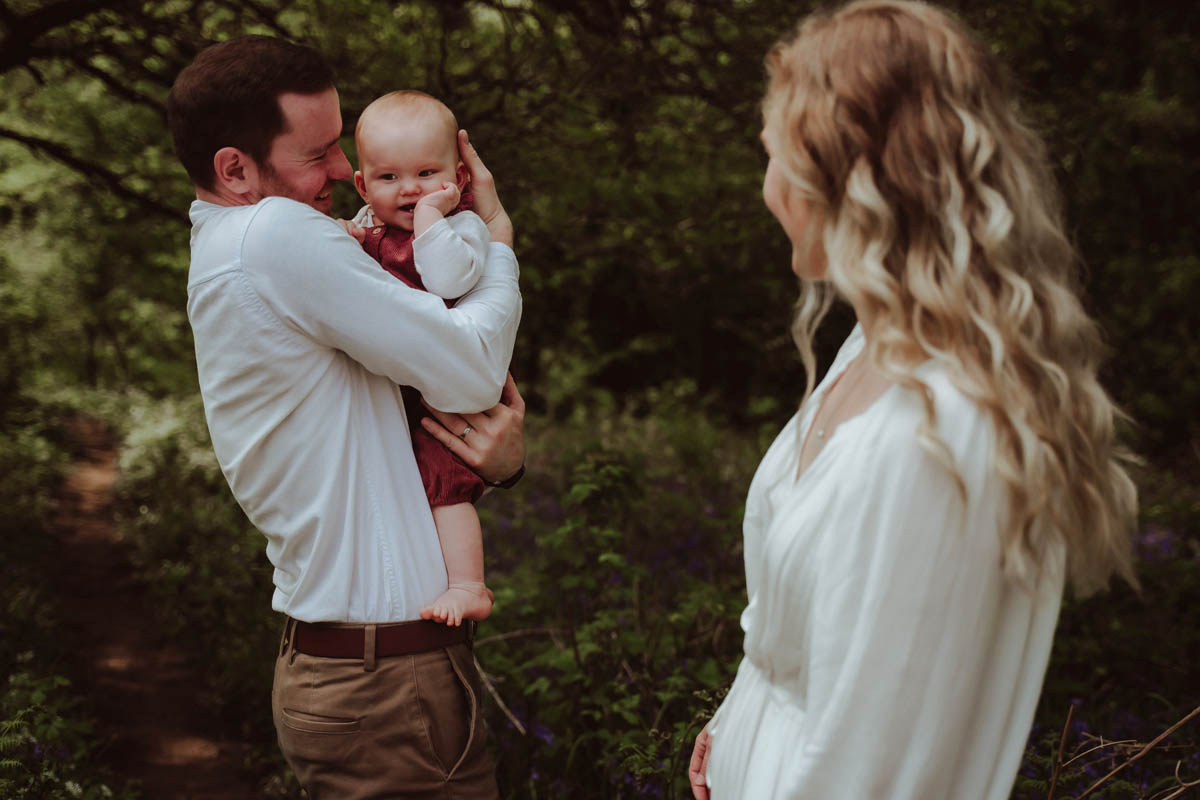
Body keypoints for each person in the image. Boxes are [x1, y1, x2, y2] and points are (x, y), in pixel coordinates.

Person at [687, 2, 1138, 798]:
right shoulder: (872, 347)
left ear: (847, 173)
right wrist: (739, 719)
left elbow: (877, 772)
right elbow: (807, 648)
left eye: (773, 158)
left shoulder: (938, 432)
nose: (766, 191)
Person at [168, 35, 524, 798]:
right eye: (320, 151)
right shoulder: (270, 234)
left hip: (374, 672)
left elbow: (401, 429)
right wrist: (498, 245)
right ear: (235, 169)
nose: (342, 172)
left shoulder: (237, 247)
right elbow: (470, 368)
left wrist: (497, 465)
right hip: (385, 685)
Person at [345, 90, 500, 628]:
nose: (410, 189)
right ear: (363, 185)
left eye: (426, 173)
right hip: (401, 386)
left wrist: (435, 217)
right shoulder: (372, 231)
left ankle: (469, 585)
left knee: (444, 484)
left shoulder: (463, 229)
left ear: (458, 176)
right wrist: (347, 237)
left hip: (445, 390)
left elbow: (448, 278)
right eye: (388, 178)